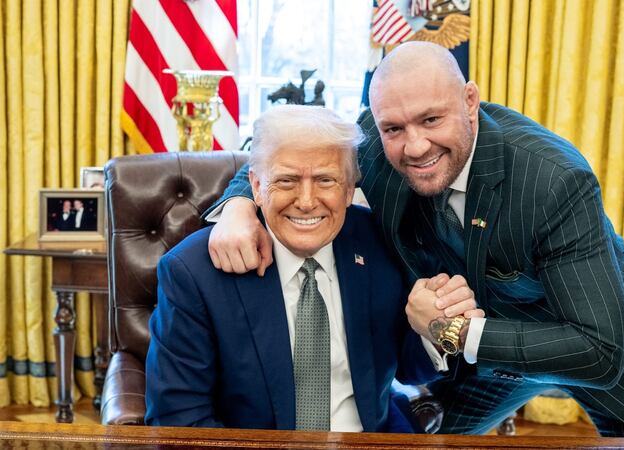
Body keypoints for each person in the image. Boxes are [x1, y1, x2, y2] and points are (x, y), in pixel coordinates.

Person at [203, 42, 624, 437]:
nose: (414, 146)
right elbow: (294, 153)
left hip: (605, 343)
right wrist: (240, 205)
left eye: (432, 120)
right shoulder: (380, 134)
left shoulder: (553, 178)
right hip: (488, 360)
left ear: (470, 103)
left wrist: (451, 331)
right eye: (395, 127)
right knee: (428, 438)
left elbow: (600, 352)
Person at [145, 105, 476, 431]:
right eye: (286, 180)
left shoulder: (381, 244)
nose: (306, 201)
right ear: (257, 186)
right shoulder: (193, 272)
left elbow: (405, 365)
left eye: (325, 180)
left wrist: (439, 332)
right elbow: (180, 420)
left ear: (349, 190)